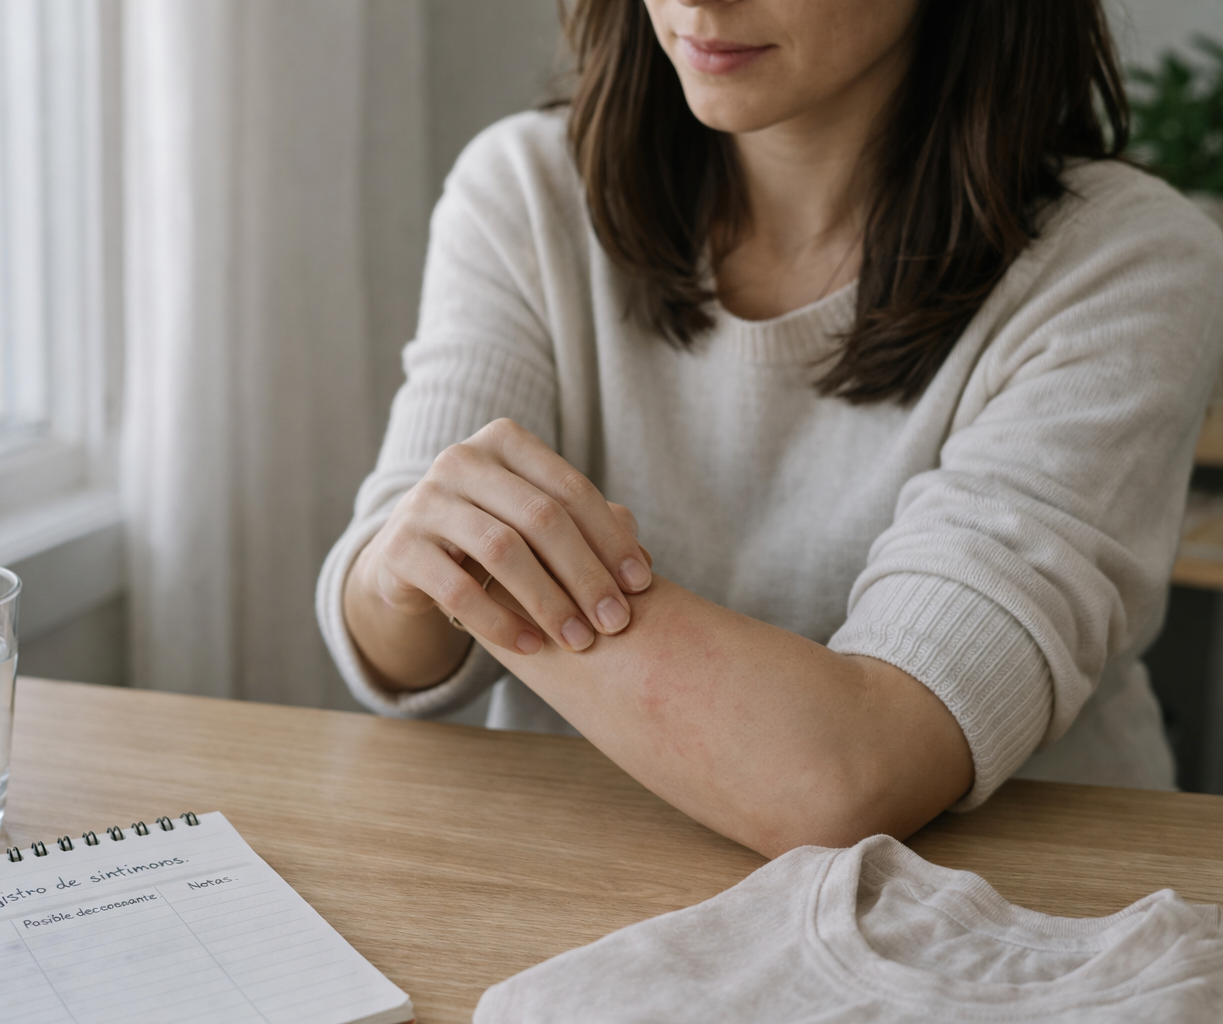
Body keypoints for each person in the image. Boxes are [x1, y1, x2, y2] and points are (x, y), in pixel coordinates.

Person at [316, 0, 1223, 859]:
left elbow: (848, 775)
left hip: (1011, 921)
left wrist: (500, 568)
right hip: (586, 879)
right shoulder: (523, 187)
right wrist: (408, 569)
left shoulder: (1129, 260)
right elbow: (394, 622)